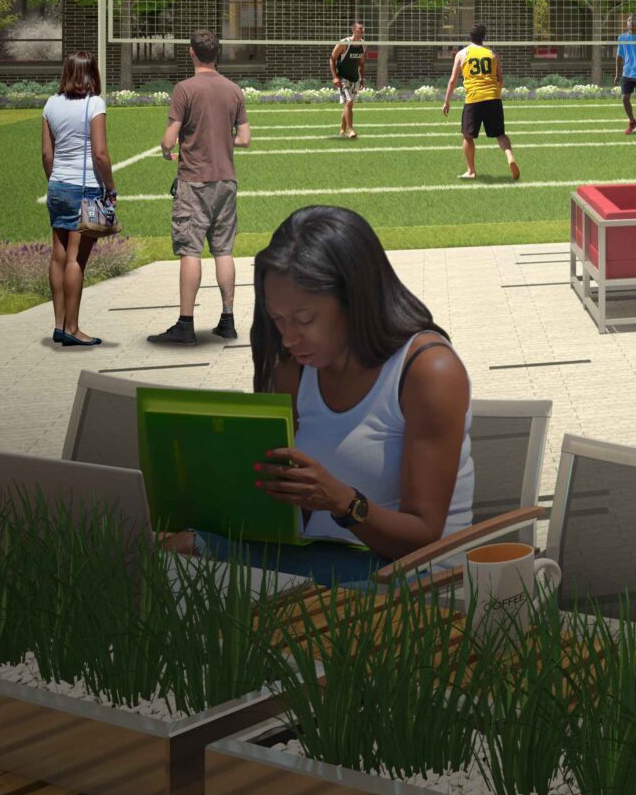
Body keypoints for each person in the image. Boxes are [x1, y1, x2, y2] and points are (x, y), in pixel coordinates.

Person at [169, 205, 475, 587]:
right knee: (177, 549)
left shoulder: (428, 371)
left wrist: (341, 501)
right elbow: (283, 516)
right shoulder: (293, 368)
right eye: (277, 319)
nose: (288, 338)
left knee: (206, 576)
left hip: (412, 576)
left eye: (304, 319)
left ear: (355, 299)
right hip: (318, 561)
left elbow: (423, 538)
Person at [151, 29, 251, 347]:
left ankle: (185, 324)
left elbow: (169, 139)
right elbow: (244, 138)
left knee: (190, 250)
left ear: (192, 53)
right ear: (216, 54)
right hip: (226, 180)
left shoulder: (185, 89)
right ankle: (228, 319)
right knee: (223, 250)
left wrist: (168, 149)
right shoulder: (234, 90)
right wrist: (222, 140)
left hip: (194, 181)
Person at [40, 50, 114, 348]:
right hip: (85, 187)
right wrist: (110, 186)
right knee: (75, 259)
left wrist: (55, 182)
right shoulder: (94, 104)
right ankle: (72, 328)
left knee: (57, 256)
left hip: (57, 185)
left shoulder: (51, 104)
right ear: (91, 73)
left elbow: (47, 153)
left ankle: (59, 325)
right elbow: (100, 153)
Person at [441, 23, 521, 182]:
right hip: (493, 97)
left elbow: (452, 81)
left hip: (474, 99)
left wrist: (447, 101)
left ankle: (471, 171)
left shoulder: (462, 54)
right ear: (484, 37)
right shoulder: (492, 54)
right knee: (500, 133)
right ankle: (510, 157)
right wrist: (495, 94)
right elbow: (500, 78)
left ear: (469, 37)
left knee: (468, 136)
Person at [328, 22, 366, 141]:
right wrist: (335, 77)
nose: (362, 31)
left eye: (363, 29)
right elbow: (332, 59)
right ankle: (351, 130)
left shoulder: (363, 44)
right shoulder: (344, 43)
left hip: (355, 78)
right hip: (343, 77)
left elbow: (362, 63)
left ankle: (342, 130)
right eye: (360, 29)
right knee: (349, 102)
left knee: (348, 105)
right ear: (353, 30)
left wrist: (362, 78)